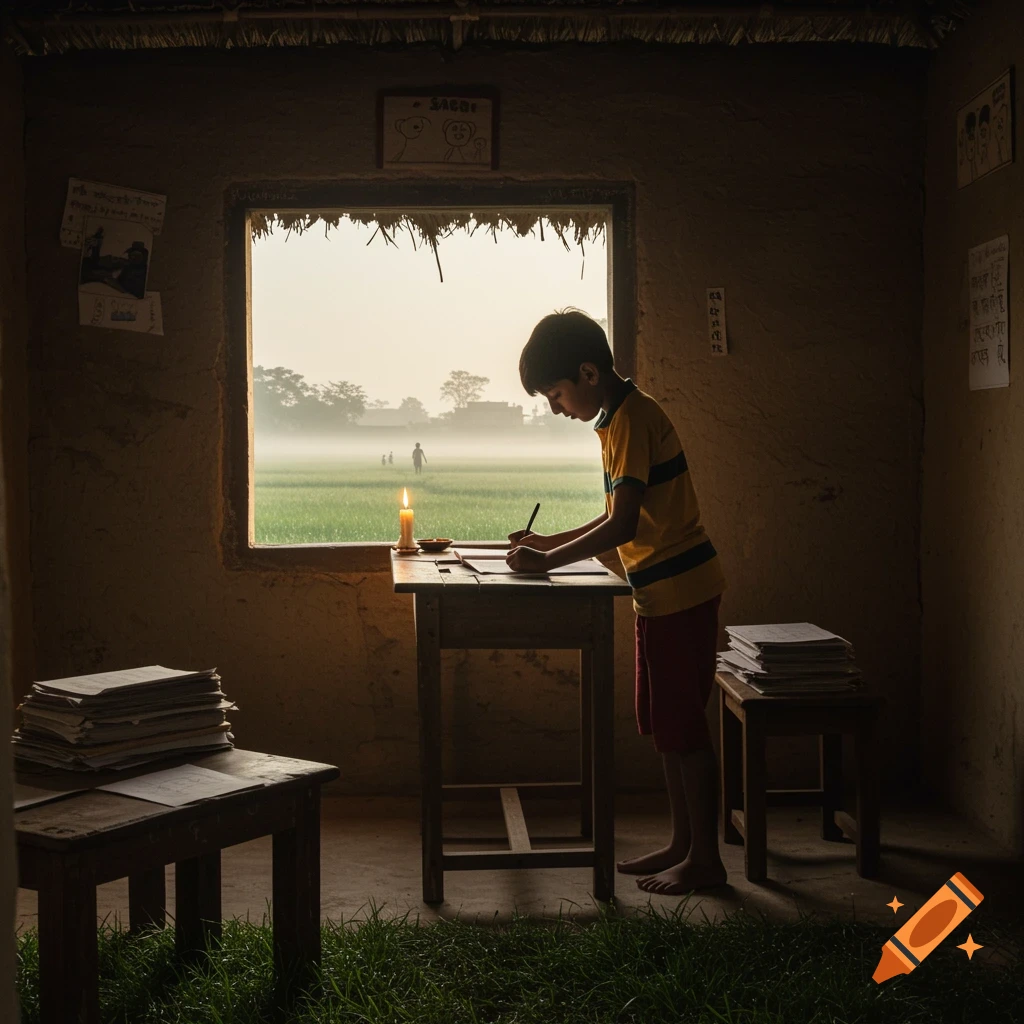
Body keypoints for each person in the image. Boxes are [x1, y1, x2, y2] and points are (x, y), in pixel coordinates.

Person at [509, 309, 727, 894]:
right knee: (666, 727)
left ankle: (706, 859)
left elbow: (624, 524)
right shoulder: (615, 420)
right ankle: (684, 844)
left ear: (587, 373)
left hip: (680, 591)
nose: (555, 408)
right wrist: (545, 543)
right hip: (657, 593)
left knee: (686, 730)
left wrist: (548, 562)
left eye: (555, 394)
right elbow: (615, 516)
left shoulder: (633, 419)